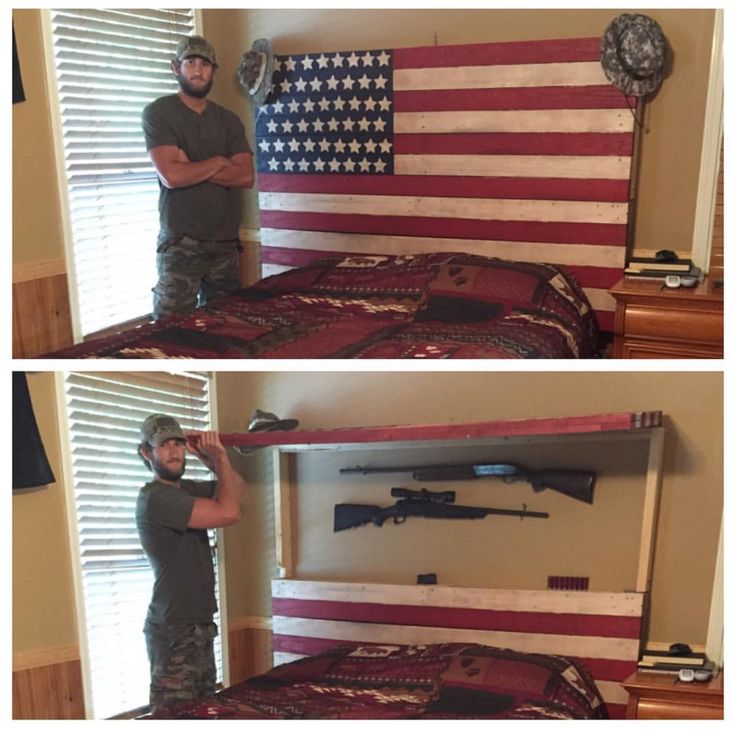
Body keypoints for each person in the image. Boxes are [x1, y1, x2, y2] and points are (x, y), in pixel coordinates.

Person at [135, 414, 247, 714]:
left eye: (178, 444)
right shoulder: (155, 498)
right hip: (174, 629)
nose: (174, 452)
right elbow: (229, 514)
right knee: (174, 715)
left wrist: (213, 460)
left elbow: (238, 495)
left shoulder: (185, 490)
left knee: (202, 711)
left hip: (198, 626)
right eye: (164, 445)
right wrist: (220, 457)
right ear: (147, 452)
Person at [141, 35, 255, 320]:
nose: (197, 69)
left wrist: (193, 164)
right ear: (175, 67)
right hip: (181, 243)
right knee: (170, 330)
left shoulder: (228, 120)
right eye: (189, 62)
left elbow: (245, 176)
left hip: (225, 244)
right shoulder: (159, 112)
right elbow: (172, 176)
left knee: (226, 327)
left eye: (205, 64)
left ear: (213, 70)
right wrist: (219, 161)